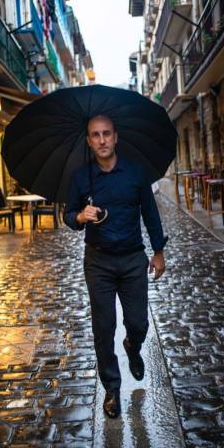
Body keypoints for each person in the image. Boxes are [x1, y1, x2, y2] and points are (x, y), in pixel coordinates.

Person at [64, 115, 167, 419]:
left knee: (138, 323)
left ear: (116, 137)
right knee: (103, 326)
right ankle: (111, 388)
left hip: (134, 259)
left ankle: (133, 346)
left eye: (106, 134)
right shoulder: (81, 178)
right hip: (98, 261)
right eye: (95, 135)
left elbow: (150, 213)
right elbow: (68, 216)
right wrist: (81, 217)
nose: (102, 140)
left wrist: (158, 252)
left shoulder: (135, 172)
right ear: (89, 141)